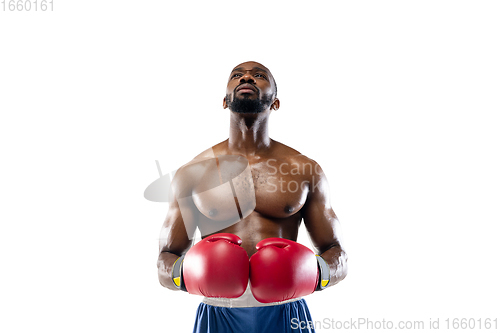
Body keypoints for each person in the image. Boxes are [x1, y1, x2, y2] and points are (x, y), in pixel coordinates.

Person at [157, 61, 348, 333]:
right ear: (224, 101)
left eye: (259, 75)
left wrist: (316, 274)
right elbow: (166, 257)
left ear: (276, 103)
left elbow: (336, 252)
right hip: (219, 312)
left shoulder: (305, 170)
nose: (247, 77)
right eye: (237, 75)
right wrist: (185, 275)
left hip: (286, 309)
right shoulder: (192, 174)